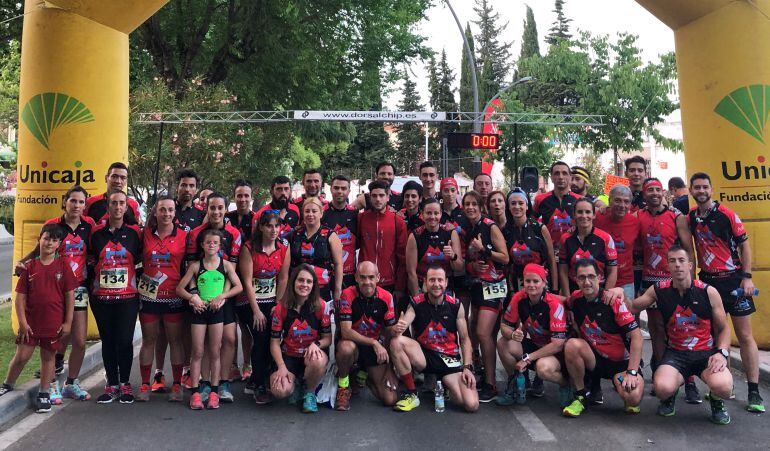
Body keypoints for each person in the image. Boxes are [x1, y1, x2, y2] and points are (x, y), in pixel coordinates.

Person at [626, 246, 734, 424]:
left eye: (681, 261)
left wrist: (721, 353)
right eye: (672, 261)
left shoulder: (708, 292)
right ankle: (671, 394)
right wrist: (620, 293)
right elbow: (633, 307)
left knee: (724, 387)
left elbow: (723, 329)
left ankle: (716, 401)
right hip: (676, 353)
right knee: (662, 388)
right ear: (667, 266)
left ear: (690, 265)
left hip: (705, 353)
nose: (677, 265)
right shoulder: (659, 289)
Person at [687, 172, 763, 412]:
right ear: (690, 190)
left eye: (705, 187)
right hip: (708, 283)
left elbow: (744, 246)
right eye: (697, 187)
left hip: (734, 282)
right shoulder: (691, 218)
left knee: (745, 336)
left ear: (711, 188)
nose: (701, 191)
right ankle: (723, 387)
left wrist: (747, 278)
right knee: (716, 338)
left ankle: (754, 392)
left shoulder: (727, 214)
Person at [14, 186, 95, 401]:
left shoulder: (89, 226)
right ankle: (50, 384)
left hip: (77, 288)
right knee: (58, 337)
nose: (77, 206)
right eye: (73, 201)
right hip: (52, 289)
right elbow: (38, 250)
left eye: (81, 202)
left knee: (78, 339)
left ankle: (71, 383)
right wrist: (23, 262)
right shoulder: (52, 225)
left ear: (85, 206)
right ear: (65, 201)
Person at [0, 225, 76, 413]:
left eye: (54, 240)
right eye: (46, 238)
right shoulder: (29, 266)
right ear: (39, 239)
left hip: (53, 324)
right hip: (31, 324)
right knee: (22, 356)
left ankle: (44, 393)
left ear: (58, 244)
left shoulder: (63, 266)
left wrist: (67, 322)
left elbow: (70, 296)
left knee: (48, 358)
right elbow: (20, 298)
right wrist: (23, 323)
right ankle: (7, 384)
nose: (49, 242)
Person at [636, 177, 697, 401]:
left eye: (656, 189)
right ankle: (662, 373)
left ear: (662, 192)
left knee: (682, 329)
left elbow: (689, 250)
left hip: (675, 280)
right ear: (643, 194)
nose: (653, 192)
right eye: (648, 190)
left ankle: (689, 380)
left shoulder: (676, 216)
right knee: (657, 331)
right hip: (650, 281)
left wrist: (692, 280)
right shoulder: (637, 216)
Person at [389, 265, 479, 413]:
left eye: (439, 280)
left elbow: (465, 339)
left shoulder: (456, 305)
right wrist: (396, 328)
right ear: (425, 282)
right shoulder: (416, 302)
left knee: (471, 404)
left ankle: (444, 384)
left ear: (446, 282)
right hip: (425, 357)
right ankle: (412, 393)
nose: (436, 284)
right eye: (432, 280)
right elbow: (401, 328)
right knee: (396, 341)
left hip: (449, 359)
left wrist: (468, 367)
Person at [561, 260, 644, 417]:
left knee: (632, 398)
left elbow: (637, 337)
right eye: (582, 277)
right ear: (576, 280)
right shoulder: (575, 299)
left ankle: (626, 390)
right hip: (596, 361)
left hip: (621, 365)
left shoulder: (612, 301)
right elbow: (561, 301)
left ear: (600, 277)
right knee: (572, 345)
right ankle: (580, 397)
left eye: (591, 276)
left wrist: (632, 372)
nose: (587, 282)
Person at [177, 229, 243, 410]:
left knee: (215, 351)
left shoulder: (226, 265)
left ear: (220, 246)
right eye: (208, 243)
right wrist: (192, 298)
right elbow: (180, 289)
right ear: (202, 245)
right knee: (197, 351)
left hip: (217, 312)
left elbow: (239, 287)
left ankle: (214, 391)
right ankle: (196, 392)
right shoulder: (196, 266)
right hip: (199, 311)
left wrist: (223, 296)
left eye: (215, 242)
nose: (212, 245)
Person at [186, 192, 242, 402]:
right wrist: (194, 295)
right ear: (206, 209)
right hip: (202, 294)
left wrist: (223, 296)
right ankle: (205, 383)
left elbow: (231, 270)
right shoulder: (195, 234)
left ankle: (223, 382)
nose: (216, 212)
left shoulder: (234, 234)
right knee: (206, 343)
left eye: (220, 208)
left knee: (228, 338)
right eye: (212, 208)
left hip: (224, 293)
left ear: (226, 209)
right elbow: (191, 268)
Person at [88, 191, 142, 404]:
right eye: (114, 203)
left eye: (122, 204)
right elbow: (89, 259)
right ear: (107, 206)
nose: (118, 207)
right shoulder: (96, 233)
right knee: (108, 341)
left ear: (126, 208)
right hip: (102, 298)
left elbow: (141, 260)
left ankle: (125, 383)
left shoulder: (135, 233)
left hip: (128, 297)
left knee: (125, 340)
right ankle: (111, 383)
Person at [496, 264, 571, 407]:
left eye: (536, 281)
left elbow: (558, 344)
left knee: (542, 368)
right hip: (536, 346)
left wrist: (527, 358)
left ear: (544, 283)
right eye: (527, 281)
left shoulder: (553, 304)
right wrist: (513, 334)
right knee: (503, 343)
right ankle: (515, 383)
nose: (531, 285)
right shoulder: (519, 298)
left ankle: (566, 384)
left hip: (556, 352)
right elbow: (504, 326)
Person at [136, 196, 187, 402]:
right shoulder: (144, 234)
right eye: (162, 210)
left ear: (175, 213)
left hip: (174, 295)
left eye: (170, 210)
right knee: (149, 340)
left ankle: (176, 384)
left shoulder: (184, 236)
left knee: (175, 340)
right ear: (155, 212)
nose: (166, 214)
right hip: (149, 296)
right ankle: (145, 384)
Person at [238, 212, 291, 404]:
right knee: (261, 336)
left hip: (271, 299)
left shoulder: (284, 246)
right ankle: (259, 384)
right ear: (261, 227)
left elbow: (283, 277)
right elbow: (246, 281)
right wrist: (256, 311)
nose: (274, 230)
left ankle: (257, 379)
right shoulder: (249, 248)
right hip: (249, 301)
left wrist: (278, 305)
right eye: (269, 226)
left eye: (277, 226)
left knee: (274, 336)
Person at [462, 190, 509, 401]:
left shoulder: (490, 226)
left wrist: (485, 251)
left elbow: (505, 257)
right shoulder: (468, 229)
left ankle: (491, 384)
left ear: (481, 207)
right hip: (476, 286)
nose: (470, 207)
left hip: (494, 286)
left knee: (483, 334)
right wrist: (473, 265)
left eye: (474, 204)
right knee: (477, 332)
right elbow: (469, 262)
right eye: (467, 204)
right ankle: (485, 376)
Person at [334, 261, 399, 410]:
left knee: (390, 399)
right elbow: (346, 331)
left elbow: (390, 336)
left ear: (378, 277)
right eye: (362, 277)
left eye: (371, 277)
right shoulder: (347, 294)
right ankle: (343, 386)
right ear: (356, 277)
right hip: (354, 344)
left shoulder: (387, 297)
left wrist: (390, 369)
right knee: (345, 348)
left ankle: (365, 375)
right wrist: (374, 343)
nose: (367, 282)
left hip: (373, 350)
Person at [269, 264, 332, 413]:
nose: (304, 285)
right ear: (293, 282)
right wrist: (281, 367)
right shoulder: (281, 308)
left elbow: (328, 339)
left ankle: (309, 392)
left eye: (309, 282)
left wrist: (316, 344)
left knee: (318, 359)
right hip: (289, 356)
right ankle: (296, 383)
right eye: (301, 280)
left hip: (310, 356)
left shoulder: (321, 306)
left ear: (313, 285)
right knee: (280, 390)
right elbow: (274, 343)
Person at [225, 179, 258, 383]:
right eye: (239, 195)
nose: (243, 199)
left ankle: (247, 363)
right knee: (230, 327)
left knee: (245, 327)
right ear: (234, 197)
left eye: (246, 195)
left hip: (247, 279)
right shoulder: (226, 217)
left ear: (251, 198)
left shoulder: (256, 220)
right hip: (225, 278)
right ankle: (232, 366)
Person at [288, 196, 344, 303]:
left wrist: (337, 290)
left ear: (321, 213)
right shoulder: (295, 234)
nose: (310, 214)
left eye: (314, 211)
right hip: (299, 288)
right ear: (303, 214)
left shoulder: (330, 235)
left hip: (322, 288)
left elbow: (338, 264)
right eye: (307, 211)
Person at [559, 198, 618, 297]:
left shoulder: (606, 238)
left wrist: (605, 296)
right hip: (575, 293)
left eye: (588, 212)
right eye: (579, 212)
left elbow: (612, 270)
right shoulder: (565, 239)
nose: (584, 216)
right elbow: (563, 271)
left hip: (599, 291)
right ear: (574, 215)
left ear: (594, 215)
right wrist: (568, 299)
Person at [359, 180, 408, 297]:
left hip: (389, 281)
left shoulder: (398, 222)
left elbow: (403, 257)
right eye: (374, 196)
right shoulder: (361, 219)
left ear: (388, 197)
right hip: (365, 279)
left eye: (381, 195)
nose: (378, 199)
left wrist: (399, 286)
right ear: (369, 197)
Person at [503, 188, 557, 293]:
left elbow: (551, 259)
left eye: (521, 203)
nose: (517, 206)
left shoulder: (539, 228)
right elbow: (507, 265)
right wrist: (511, 290)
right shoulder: (506, 231)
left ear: (527, 206)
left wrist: (555, 288)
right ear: (508, 207)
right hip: (518, 282)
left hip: (540, 281)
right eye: (513, 203)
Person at [405, 199, 463, 296]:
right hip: (422, 287)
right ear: (422, 214)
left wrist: (453, 256)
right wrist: (417, 300)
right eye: (428, 213)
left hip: (445, 287)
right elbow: (411, 272)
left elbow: (459, 267)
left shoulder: (451, 233)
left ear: (441, 214)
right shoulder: (415, 236)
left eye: (436, 213)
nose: (432, 217)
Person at [594, 185, 640, 301]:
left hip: (625, 281)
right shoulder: (597, 217)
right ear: (609, 201)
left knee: (628, 316)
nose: (622, 205)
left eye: (626, 202)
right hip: (599, 280)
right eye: (617, 200)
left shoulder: (635, 222)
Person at [533, 161, 582, 257]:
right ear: (551, 177)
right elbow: (531, 222)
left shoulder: (579, 200)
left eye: (564, 173)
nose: (560, 177)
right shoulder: (540, 199)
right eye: (556, 173)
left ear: (570, 177)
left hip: (574, 252)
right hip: (549, 253)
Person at [322, 175, 358, 289]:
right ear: (331, 189)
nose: (340, 191)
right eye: (336, 188)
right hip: (327, 274)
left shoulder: (355, 214)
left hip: (349, 274)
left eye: (343, 188)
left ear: (349, 191)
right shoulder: (321, 213)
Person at [255, 175, 301, 241]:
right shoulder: (260, 214)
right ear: (271, 192)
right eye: (279, 189)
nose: (283, 193)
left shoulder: (295, 209)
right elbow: (255, 242)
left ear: (290, 191)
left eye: (286, 189)